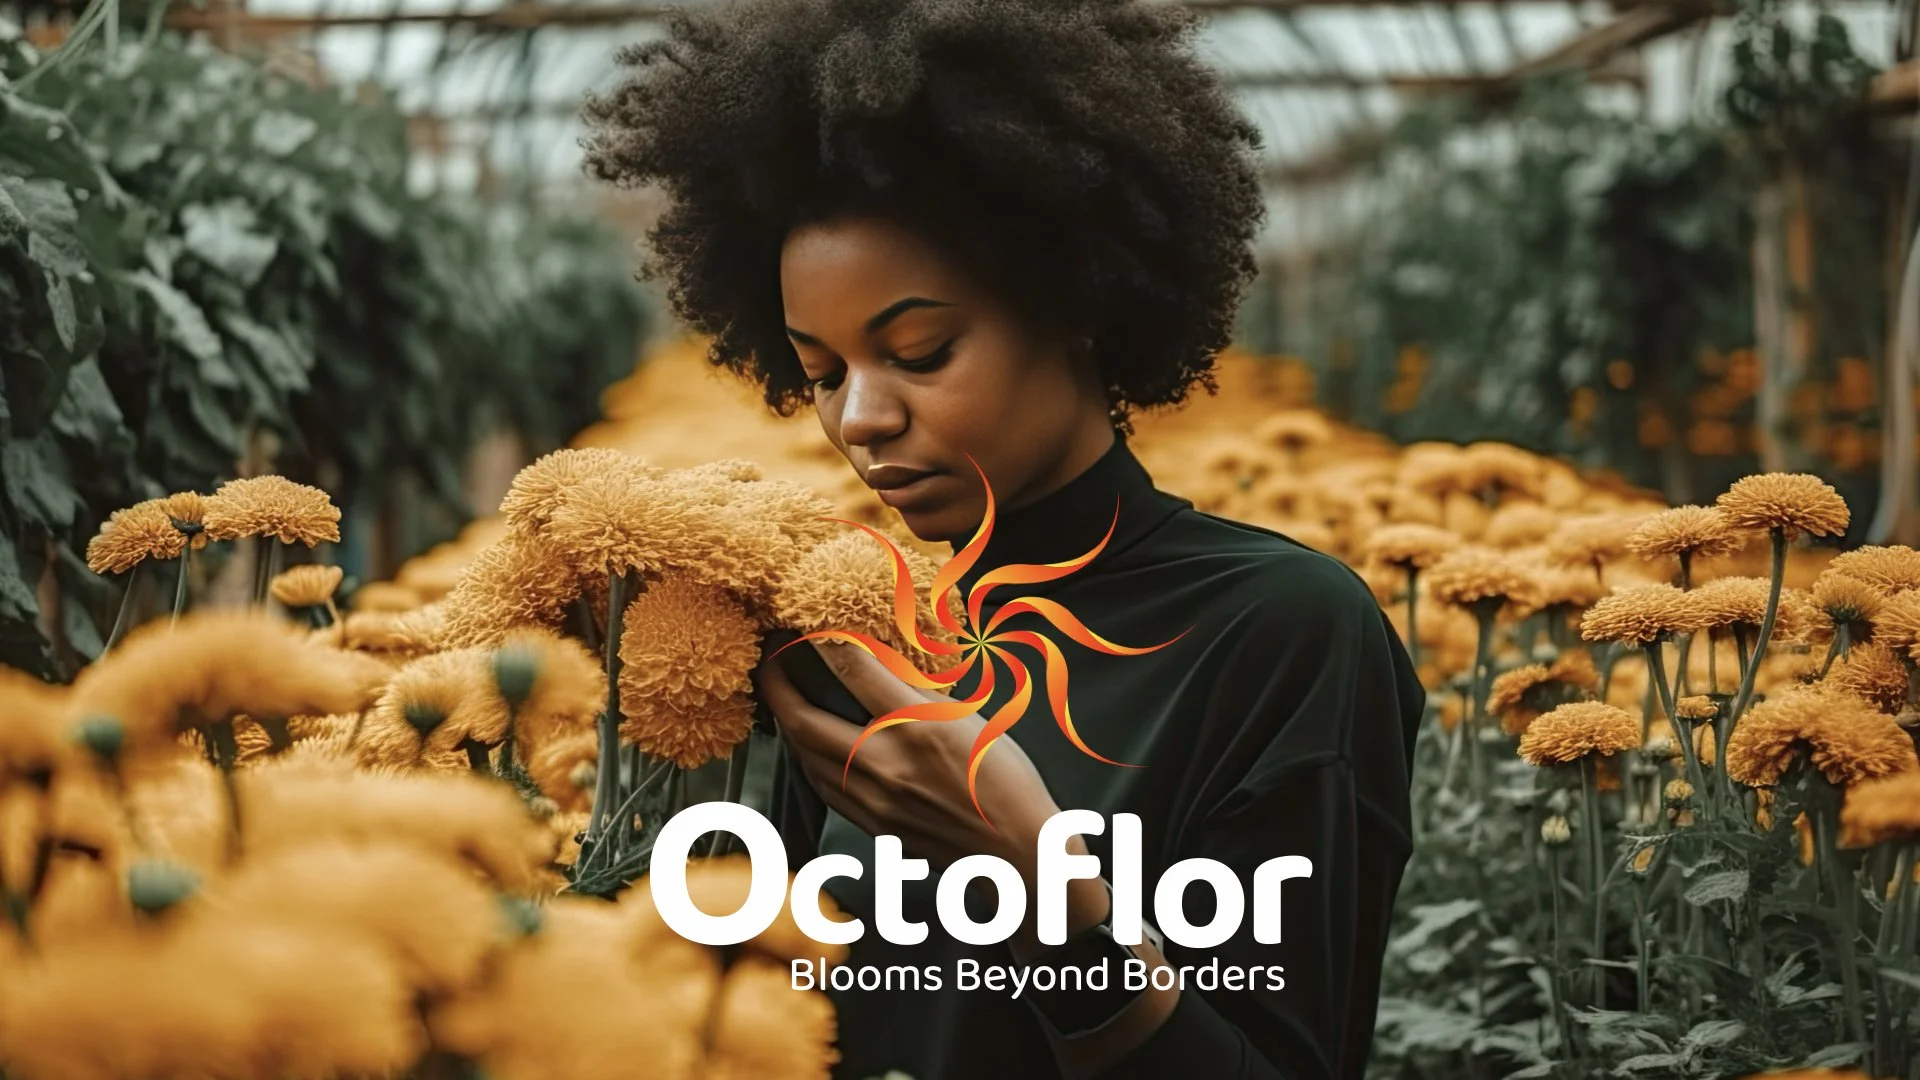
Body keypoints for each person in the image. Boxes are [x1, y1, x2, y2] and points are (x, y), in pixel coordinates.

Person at [583, 1, 1425, 1077]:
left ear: (1073, 303)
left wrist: (1040, 894)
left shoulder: (1283, 634)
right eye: (824, 373)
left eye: (921, 352)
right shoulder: (855, 642)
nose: (861, 420)